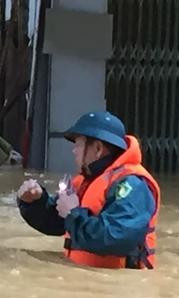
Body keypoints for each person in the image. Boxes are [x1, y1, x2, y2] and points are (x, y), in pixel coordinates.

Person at [16, 111, 160, 269]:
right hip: (85, 278)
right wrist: (35, 202)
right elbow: (57, 223)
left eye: (78, 144)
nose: (74, 151)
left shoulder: (132, 185)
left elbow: (116, 238)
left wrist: (72, 213)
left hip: (115, 287)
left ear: (98, 149)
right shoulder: (85, 181)